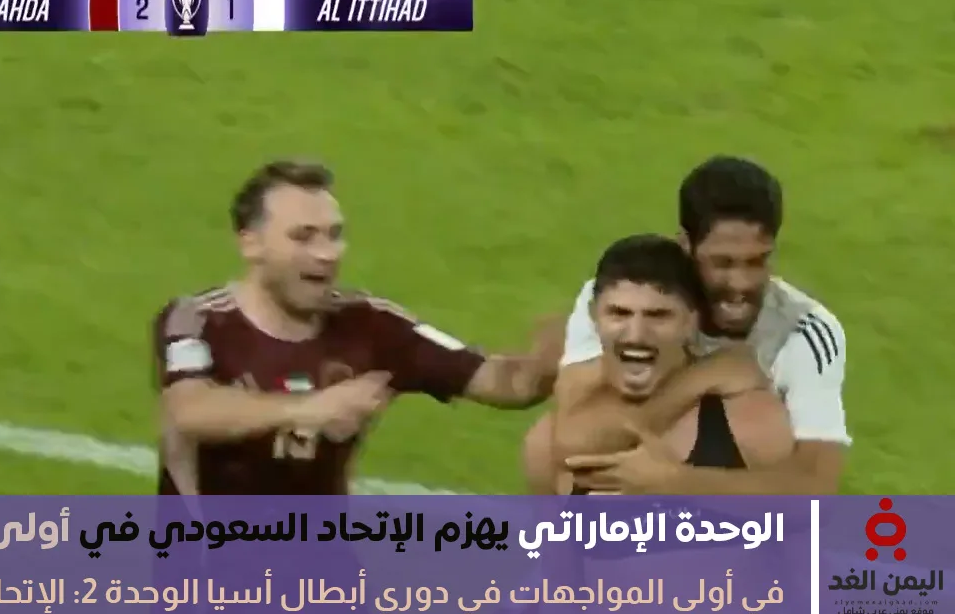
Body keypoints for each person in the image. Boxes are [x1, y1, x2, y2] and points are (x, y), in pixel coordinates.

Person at [154, 160, 557, 495]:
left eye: (334, 235)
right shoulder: (197, 319)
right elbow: (190, 409)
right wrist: (311, 408)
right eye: (303, 237)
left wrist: (557, 351)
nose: (326, 254)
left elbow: (509, 384)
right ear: (251, 244)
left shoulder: (371, 325)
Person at [523, 156, 849, 495]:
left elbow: (817, 490)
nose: (740, 283)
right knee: (543, 443)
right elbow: (570, 439)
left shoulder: (804, 332)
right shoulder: (623, 299)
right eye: (722, 263)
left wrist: (674, 481)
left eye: (756, 262)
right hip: (641, 458)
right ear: (685, 246)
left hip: (747, 488)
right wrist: (706, 376)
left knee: (756, 419)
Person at [547, 234, 794, 494]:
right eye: (619, 313)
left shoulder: (747, 418)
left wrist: (680, 483)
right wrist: (699, 379)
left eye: (658, 316)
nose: (636, 335)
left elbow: (802, 511)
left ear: (691, 322)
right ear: (594, 317)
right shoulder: (562, 428)